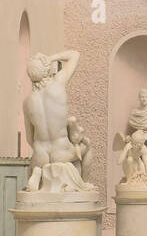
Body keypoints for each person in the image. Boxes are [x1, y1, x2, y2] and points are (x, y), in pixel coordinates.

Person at [23, 49, 94, 191]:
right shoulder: (58, 84)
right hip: (60, 151)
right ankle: (84, 182)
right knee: (87, 147)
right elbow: (75, 55)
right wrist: (51, 57)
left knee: (35, 164)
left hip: (40, 155)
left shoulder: (27, 102)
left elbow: (29, 138)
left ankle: (36, 173)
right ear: (47, 70)